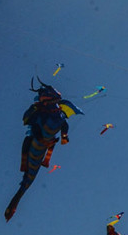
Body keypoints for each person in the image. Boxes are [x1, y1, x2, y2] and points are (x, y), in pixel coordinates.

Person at [5, 81, 81, 221]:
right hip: (38, 139)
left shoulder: (60, 111)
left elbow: (64, 124)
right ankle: (16, 195)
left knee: (51, 140)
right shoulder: (39, 111)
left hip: (48, 140)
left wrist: (64, 135)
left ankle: (46, 158)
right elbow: (32, 124)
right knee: (29, 142)